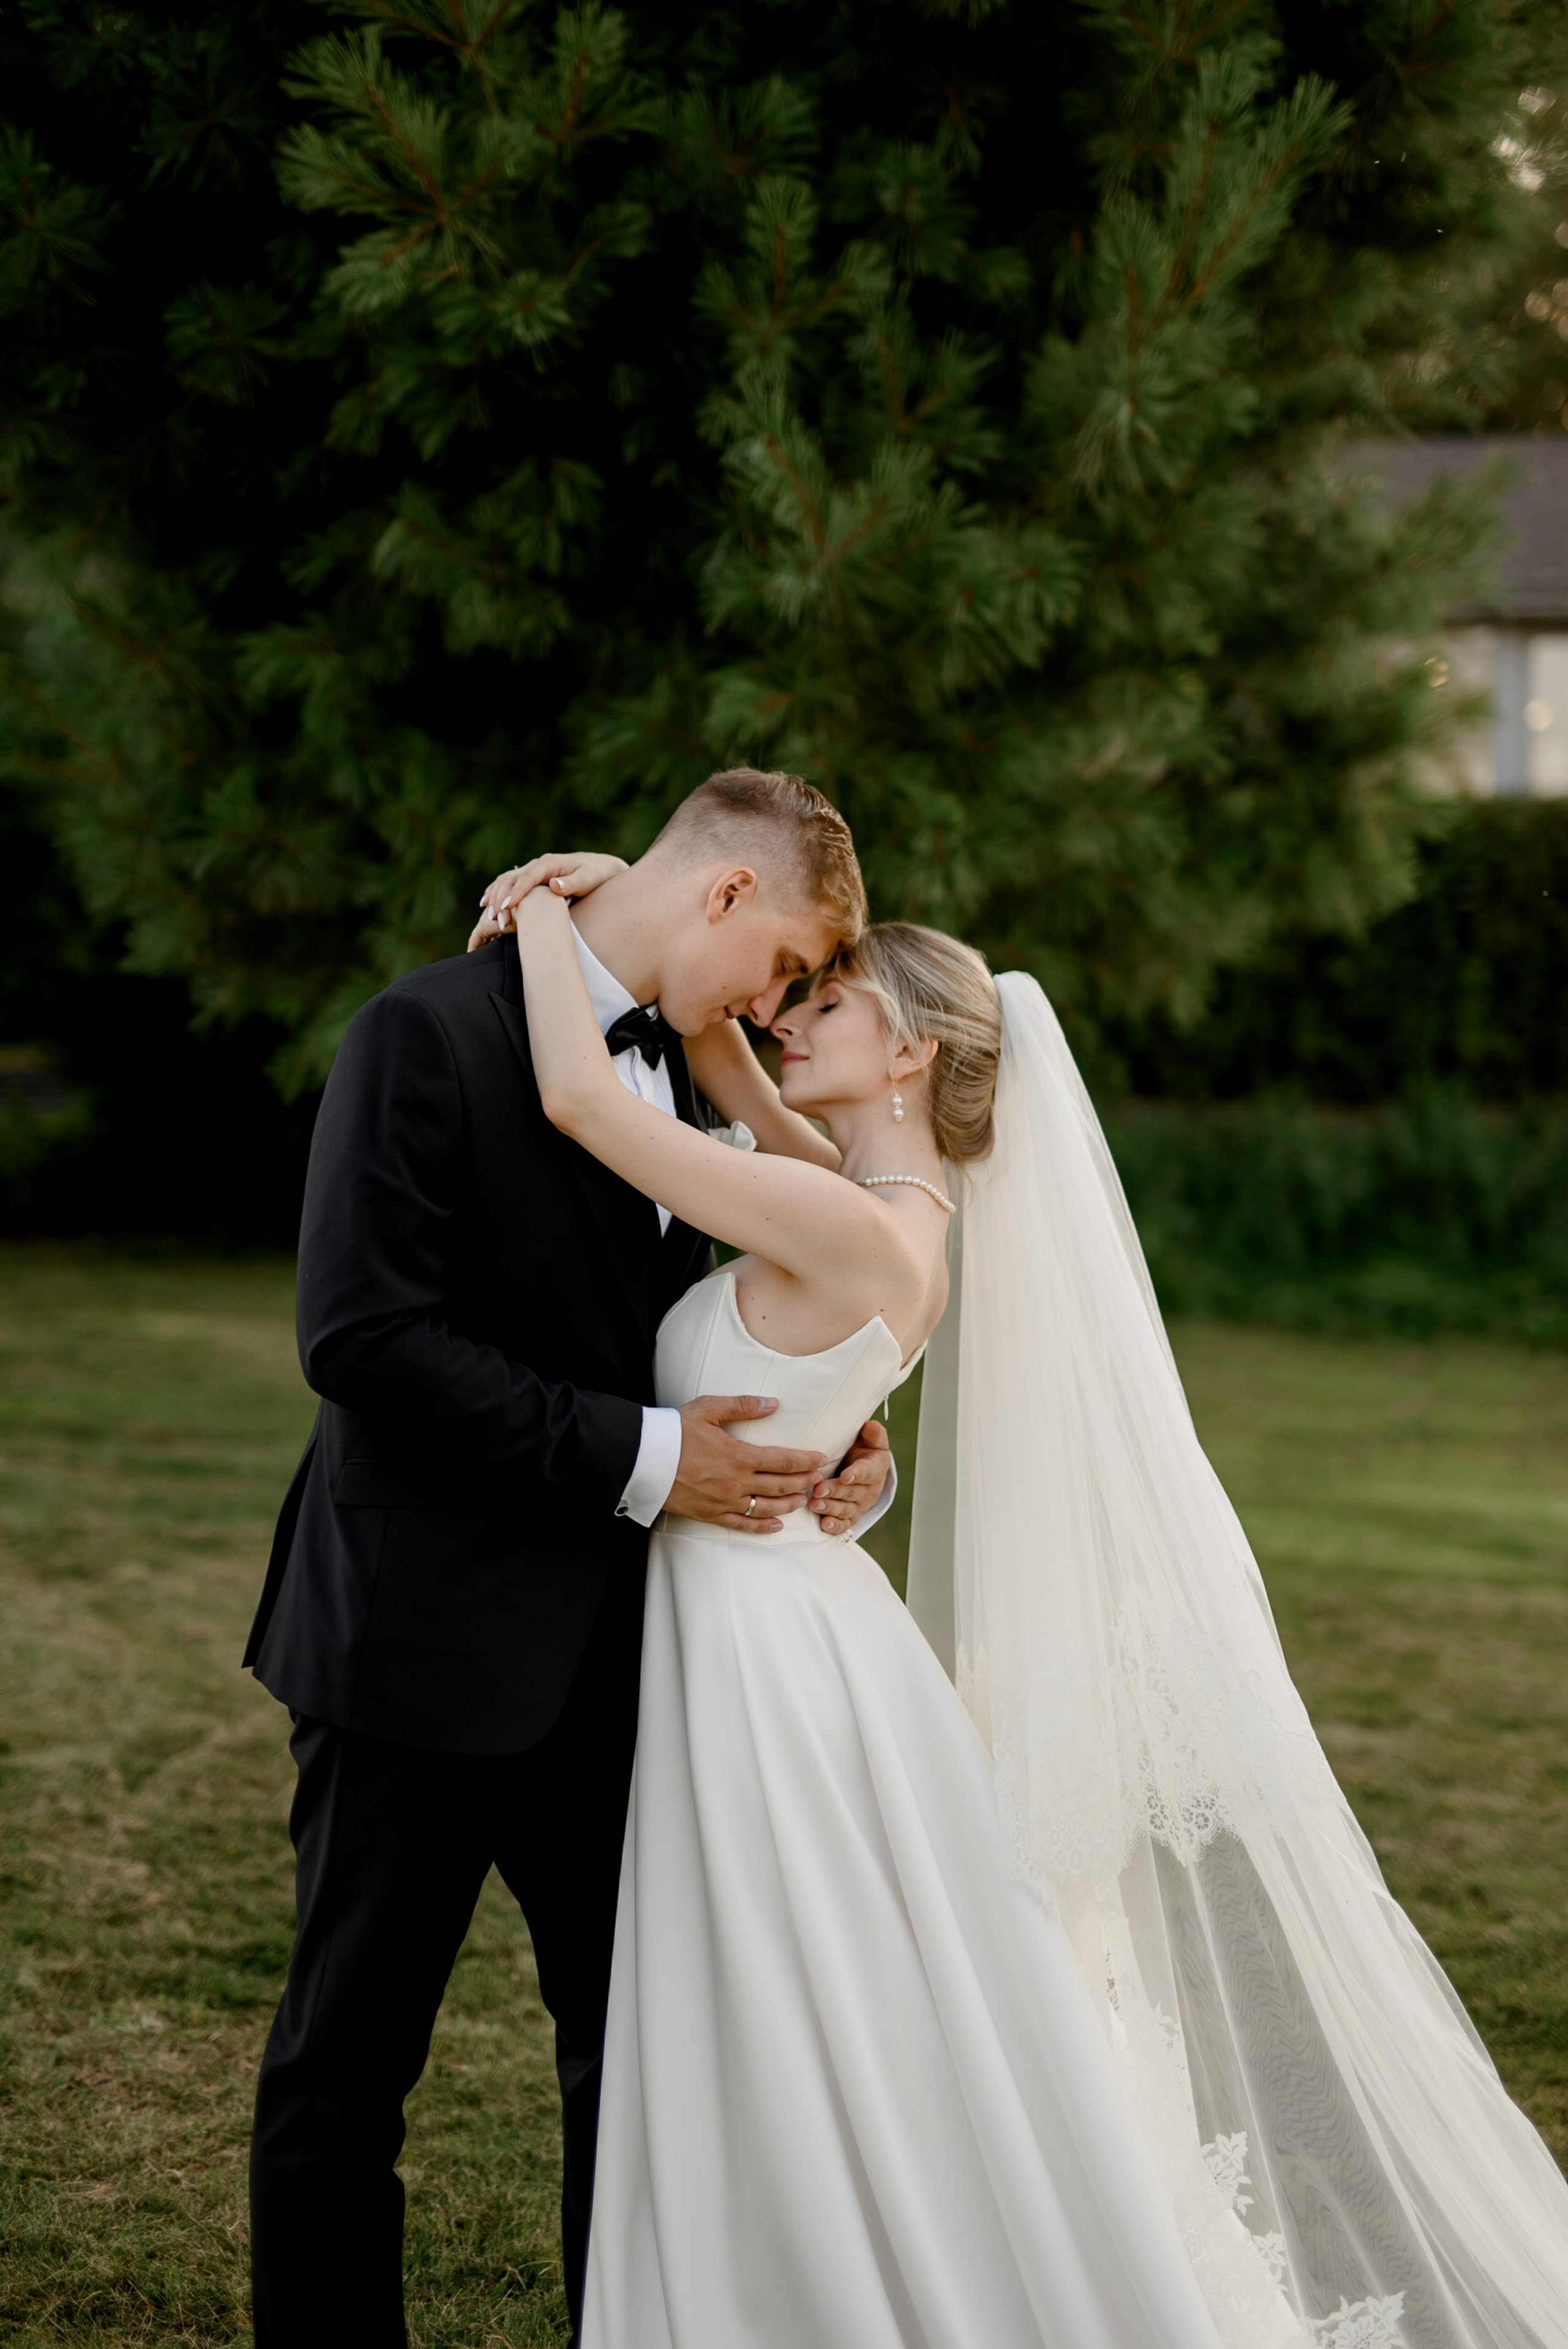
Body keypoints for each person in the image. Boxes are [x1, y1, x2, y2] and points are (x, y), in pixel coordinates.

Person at [489, 849, 1568, 2349]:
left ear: (914, 1047)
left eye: (836, 1000)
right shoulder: (860, 1192)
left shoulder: (862, 1224)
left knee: (800, 2001)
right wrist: (633, 899)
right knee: (795, 1998)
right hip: (771, 1613)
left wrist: (541, 916)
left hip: (768, 1648)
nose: (794, 1014)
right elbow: (729, 1069)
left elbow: (585, 1103)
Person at [243, 771, 900, 2349]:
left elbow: (718, 1319)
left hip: (631, 1662)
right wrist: (659, 1461)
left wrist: (829, 1442)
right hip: (415, 1640)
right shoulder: (424, 1032)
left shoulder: (684, 1065)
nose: (779, 1007)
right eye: (785, 967)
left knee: (637, 2065)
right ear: (727, 896)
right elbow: (365, 1337)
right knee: (347, 2067)